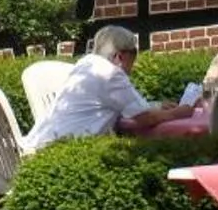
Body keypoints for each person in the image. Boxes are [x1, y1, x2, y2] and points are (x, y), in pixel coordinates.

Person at [24, 26, 197, 150]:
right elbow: (145, 118)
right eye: (133, 56)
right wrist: (180, 112)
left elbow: (117, 105)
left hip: (42, 145)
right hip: (61, 150)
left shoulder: (87, 64)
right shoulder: (110, 74)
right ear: (120, 56)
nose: (133, 66)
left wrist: (157, 105)